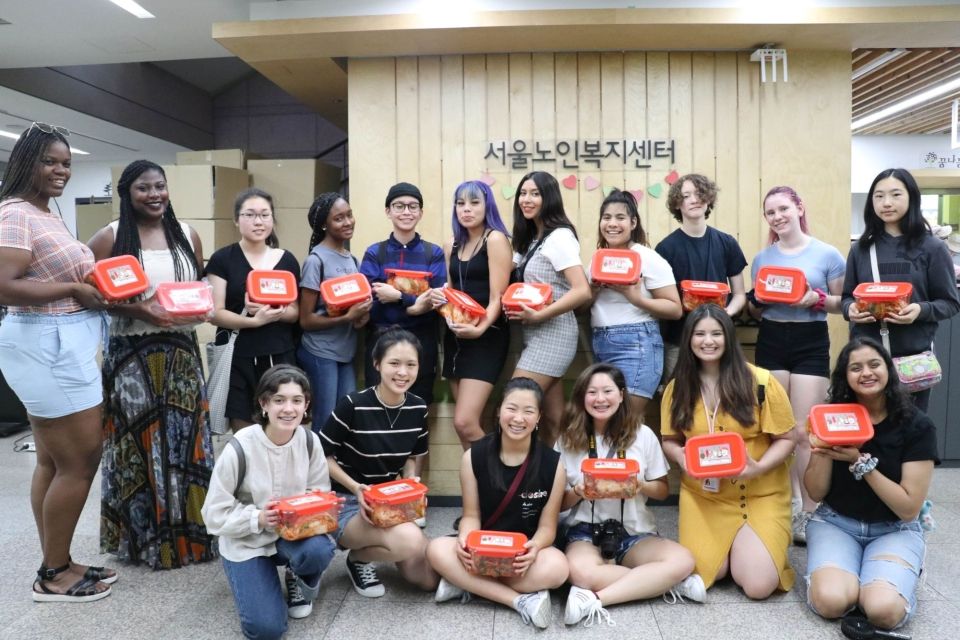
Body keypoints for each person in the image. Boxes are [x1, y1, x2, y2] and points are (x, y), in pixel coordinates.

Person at [0, 123, 114, 602]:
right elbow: (5, 284)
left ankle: (58, 560)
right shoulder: (15, 214)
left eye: (66, 162)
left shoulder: (45, 213)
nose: (61, 170)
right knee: (80, 459)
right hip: (45, 343)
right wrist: (71, 288)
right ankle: (53, 576)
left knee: (51, 459)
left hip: (59, 342)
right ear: (27, 161)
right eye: (50, 160)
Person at [88, 159, 217, 570]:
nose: (155, 194)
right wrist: (142, 312)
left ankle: (192, 538)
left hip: (180, 349)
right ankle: (145, 541)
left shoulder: (187, 234)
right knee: (138, 444)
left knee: (185, 439)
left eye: (160, 186)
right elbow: (92, 297)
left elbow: (195, 286)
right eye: (144, 188)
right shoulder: (109, 237)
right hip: (131, 354)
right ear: (128, 193)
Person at [660, 304, 796, 599]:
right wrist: (681, 458)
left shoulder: (761, 382)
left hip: (760, 492)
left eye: (716, 333)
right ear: (689, 340)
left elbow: (787, 438)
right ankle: (733, 550)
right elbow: (670, 440)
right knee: (708, 574)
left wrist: (757, 467)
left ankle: (748, 546)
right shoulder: (677, 387)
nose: (708, 341)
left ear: (728, 337)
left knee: (759, 587)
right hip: (704, 496)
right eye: (699, 334)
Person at [804, 338, 938, 631]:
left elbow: (907, 508)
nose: (866, 372)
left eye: (874, 364)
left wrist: (860, 462)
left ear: (888, 370)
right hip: (836, 522)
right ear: (845, 377)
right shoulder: (832, 416)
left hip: (895, 528)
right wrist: (822, 448)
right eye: (855, 368)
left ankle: (894, 577)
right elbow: (815, 492)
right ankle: (859, 581)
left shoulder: (917, 426)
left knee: (883, 611)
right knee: (831, 602)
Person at [557, 363, 705, 626]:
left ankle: (595, 599)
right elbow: (556, 504)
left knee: (683, 559)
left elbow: (661, 491)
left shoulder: (642, 434)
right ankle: (663, 583)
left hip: (634, 532)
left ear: (622, 395)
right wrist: (578, 491)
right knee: (580, 572)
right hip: (584, 533)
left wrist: (641, 486)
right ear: (582, 397)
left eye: (607, 391)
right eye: (592, 392)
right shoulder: (568, 438)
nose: (600, 399)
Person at [202, 365, 336, 639]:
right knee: (266, 629)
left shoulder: (310, 442)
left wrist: (323, 509)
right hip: (246, 541)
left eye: (297, 400)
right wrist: (259, 518)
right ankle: (254, 579)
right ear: (264, 403)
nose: (289, 409)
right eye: (279, 400)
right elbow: (213, 514)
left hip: (292, 534)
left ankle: (296, 575)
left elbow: (318, 493)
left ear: (306, 404)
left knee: (320, 549)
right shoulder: (240, 447)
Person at [426, 377, 568, 629]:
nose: (518, 418)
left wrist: (534, 547)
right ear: (499, 410)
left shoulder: (553, 464)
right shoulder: (474, 456)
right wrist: (465, 541)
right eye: (511, 408)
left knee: (558, 569)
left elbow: (547, 527)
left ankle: (466, 584)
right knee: (436, 549)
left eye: (528, 411)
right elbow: (471, 516)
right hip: (484, 549)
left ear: (538, 418)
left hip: (524, 554)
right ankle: (520, 600)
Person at [747, 186, 846, 544]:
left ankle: (809, 509)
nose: (778, 216)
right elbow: (757, 307)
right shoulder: (762, 258)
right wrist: (756, 300)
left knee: (805, 431)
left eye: (783, 208)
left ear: (799, 207)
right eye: (770, 212)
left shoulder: (827, 254)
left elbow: (841, 302)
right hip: (772, 337)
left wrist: (815, 299)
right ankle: (785, 502)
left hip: (810, 340)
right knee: (778, 429)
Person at [319, 329, 438, 597]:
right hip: (346, 501)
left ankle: (375, 551)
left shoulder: (418, 408)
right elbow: (320, 456)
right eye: (394, 363)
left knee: (424, 577)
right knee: (410, 541)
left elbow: (411, 457)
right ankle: (358, 559)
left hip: (386, 503)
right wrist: (356, 488)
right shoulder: (353, 404)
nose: (403, 373)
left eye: (411, 364)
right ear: (377, 364)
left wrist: (410, 485)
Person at [842, 168, 960, 412]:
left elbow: (950, 303)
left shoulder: (932, 248)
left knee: (911, 435)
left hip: (912, 362)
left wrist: (920, 310)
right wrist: (850, 309)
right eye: (878, 196)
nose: (886, 203)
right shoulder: (861, 249)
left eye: (896, 194)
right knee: (869, 434)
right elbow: (846, 298)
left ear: (911, 198)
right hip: (867, 362)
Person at [206, 188, 301, 433]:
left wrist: (276, 312)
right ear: (237, 220)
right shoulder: (222, 259)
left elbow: (295, 312)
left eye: (264, 215)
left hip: (280, 354)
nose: (258, 221)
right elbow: (215, 313)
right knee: (244, 431)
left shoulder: (286, 260)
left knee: (280, 426)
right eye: (249, 215)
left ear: (272, 219)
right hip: (239, 356)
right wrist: (253, 320)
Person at [507, 171, 592, 444]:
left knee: (513, 405)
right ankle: (560, 481)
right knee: (553, 420)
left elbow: (581, 290)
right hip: (536, 334)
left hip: (553, 334)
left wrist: (540, 314)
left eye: (535, 193)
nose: (526, 199)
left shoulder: (560, 237)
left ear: (550, 198)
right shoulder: (533, 238)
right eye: (523, 193)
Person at [429, 180, 513, 448]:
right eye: (460, 203)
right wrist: (438, 299)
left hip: (487, 335)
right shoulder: (451, 243)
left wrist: (479, 329)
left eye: (474, 203)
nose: (466, 209)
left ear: (486, 206)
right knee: (467, 428)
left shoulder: (495, 239)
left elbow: (497, 299)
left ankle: (506, 481)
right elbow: (451, 292)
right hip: (455, 336)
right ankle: (479, 489)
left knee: (464, 422)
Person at [588, 189, 681, 421]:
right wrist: (595, 288)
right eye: (606, 217)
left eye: (620, 218)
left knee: (626, 419)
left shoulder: (646, 257)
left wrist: (636, 298)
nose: (612, 224)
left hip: (637, 344)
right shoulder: (598, 258)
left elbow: (675, 308)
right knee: (608, 420)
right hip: (600, 342)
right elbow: (584, 305)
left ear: (633, 222)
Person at [655, 174, 747, 383]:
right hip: (678, 340)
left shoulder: (727, 243)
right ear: (677, 204)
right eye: (686, 195)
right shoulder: (665, 248)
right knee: (679, 400)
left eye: (699, 194)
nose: (694, 200)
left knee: (721, 396)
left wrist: (726, 313)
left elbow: (740, 294)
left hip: (718, 338)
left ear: (708, 199)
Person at [298, 192, 372, 427]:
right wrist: (347, 318)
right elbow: (306, 320)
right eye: (339, 218)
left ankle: (335, 464)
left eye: (349, 215)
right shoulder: (315, 260)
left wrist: (360, 317)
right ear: (323, 225)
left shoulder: (353, 260)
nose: (348, 222)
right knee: (325, 420)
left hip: (345, 352)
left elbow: (350, 311)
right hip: (320, 352)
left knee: (344, 419)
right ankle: (318, 465)